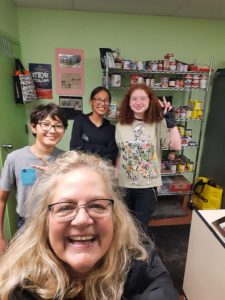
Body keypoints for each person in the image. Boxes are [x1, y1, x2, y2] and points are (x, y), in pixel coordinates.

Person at [0, 151, 178, 300]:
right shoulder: (19, 286)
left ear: (116, 217)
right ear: (45, 221)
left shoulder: (143, 264)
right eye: (65, 207)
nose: (82, 220)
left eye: (97, 205)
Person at [0, 103, 68, 253]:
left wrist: (57, 176)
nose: (52, 130)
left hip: (58, 221)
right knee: (29, 269)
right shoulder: (15, 158)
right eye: (45, 124)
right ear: (33, 127)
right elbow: (1, 198)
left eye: (58, 126)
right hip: (26, 224)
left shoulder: (67, 159)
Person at [115, 84, 181, 228]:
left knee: (140, 227)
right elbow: (122, 153)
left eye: (143, 99)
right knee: (124, 225)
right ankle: (126, 250)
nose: (138, 102)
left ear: (150, 101)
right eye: (134, 99)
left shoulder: (158, 122)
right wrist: (116, 177)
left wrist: (171, 121)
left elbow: (176, 146)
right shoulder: (121, 124)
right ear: (128, 102)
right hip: (125, 184)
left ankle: (140, 250)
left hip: (147, 186)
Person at [70, 86, 118, 165]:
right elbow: (75, 147)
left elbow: (111, 156)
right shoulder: (80, 121)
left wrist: (86, 147)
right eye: (99, 99)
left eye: (106, 100)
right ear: (91, 101)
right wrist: (102, 148)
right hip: (81, 169)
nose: (102, 103)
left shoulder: (111, 128)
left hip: (102, 172)